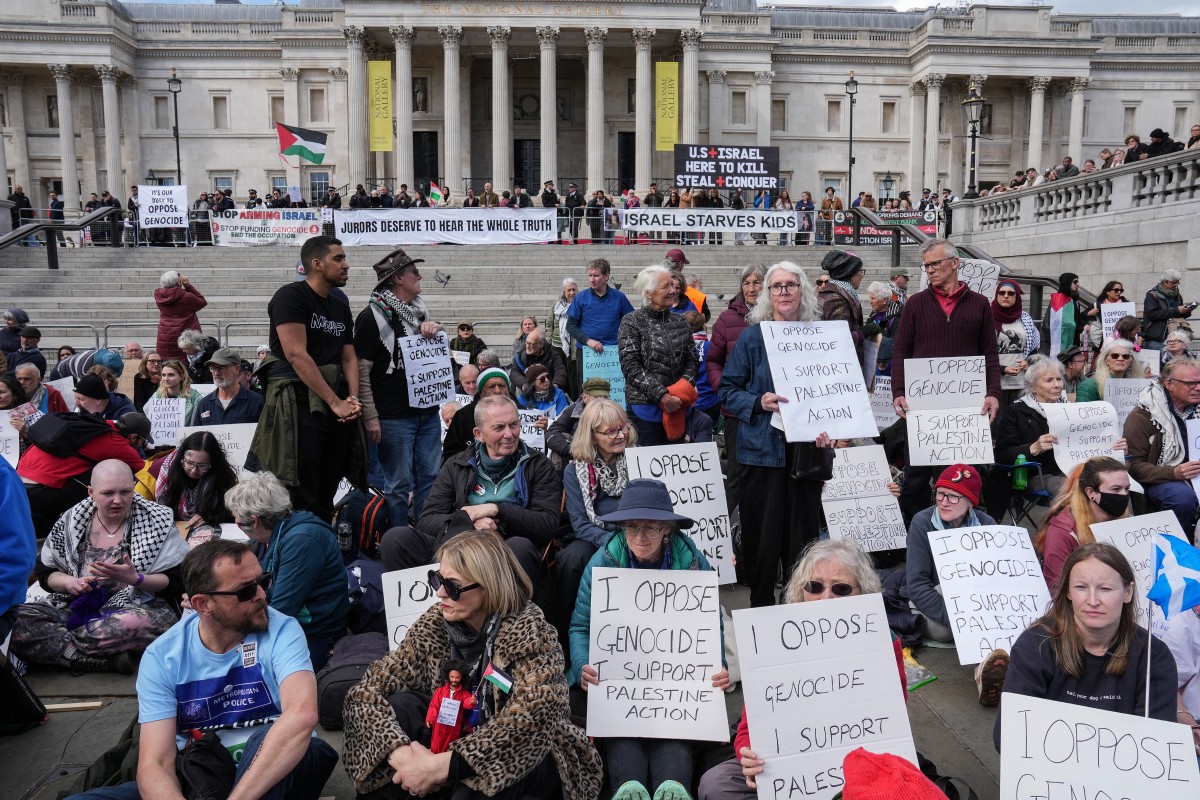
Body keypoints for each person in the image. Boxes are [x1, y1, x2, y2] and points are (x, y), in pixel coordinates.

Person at [65, 539, 339, 800]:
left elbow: (302, 715)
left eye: (263, 581)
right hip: (202, 774)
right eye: (245, 591)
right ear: (203, 604)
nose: (261, 595)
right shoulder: (162, 656)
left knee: (269, 738)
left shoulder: (282, 629)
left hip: (281, 766)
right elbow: (156, 763)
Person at [342, 529, 603, 800]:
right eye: (437, 579)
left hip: (531, 755)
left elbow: (531, 721)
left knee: (483, 780)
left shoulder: (532, 633)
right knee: (401, 707)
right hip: (454, 730)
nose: (440, 592)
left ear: (487, 586)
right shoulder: (436, 623)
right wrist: (404, 758)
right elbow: (366, 693)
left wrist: (441, 766)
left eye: (452, 586)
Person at [698, 539, 907, 800]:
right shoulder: (774, 640)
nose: (825, 598)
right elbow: (749, 722)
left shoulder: (883, 641)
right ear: (801, 589)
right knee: (715, 785)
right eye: (815, 586)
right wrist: (747, 753)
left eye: (840, 588)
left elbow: (892, 719)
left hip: (856, 765)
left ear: (862, 592)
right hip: (785, 770)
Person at [569, 479, 729, 800]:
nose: (639, 537)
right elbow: (580, 627)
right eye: (631, 526)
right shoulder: (602, 562)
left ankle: (674, 788)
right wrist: (583, 662)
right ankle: (628, 789)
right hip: (620, 680)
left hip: (675, 684)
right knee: (623, 725)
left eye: (651, 528)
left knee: (673, 727)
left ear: (667, 529)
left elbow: (711, 627)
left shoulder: (694, 564)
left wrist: (719, 667)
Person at [719, 261, 835, 607]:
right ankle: (761, 609)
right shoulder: (753, 337)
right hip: (761, 454)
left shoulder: (821, 335)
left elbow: (835, 392)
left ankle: (798, 609)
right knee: (763, 542)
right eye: (777, 286)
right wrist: (758, 401)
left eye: (791, 285)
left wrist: (834, 427)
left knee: (802, 541)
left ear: (804, 291)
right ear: (767, 295)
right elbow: (727, 390)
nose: (784, 292)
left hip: (807, 455)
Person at [994, 543, 1177, 751]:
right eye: (1081, 587)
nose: (1092, 600)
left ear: (1128, 592)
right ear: (1068, 592)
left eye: (1105, 589)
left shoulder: (1154, 656)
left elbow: (1158, 748)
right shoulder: (1036, 644)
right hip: (1046, 775)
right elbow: (1008, 737)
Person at [10, 460, 187, 673]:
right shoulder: (72, 520)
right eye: (108, 493)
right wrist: (71, 583)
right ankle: (98, 657)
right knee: (13, 620)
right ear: (91, 492)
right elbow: (46, 572)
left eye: (125, 492)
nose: (118, 500)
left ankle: (64, 650)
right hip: (76, 605)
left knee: (131, 623)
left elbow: (177, 580)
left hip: (139, 604)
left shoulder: (157, 520)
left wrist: (136, 579)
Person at [380, 395, 562, 582]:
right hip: (458, 544)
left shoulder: (538, 465)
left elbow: (547, 523)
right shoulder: (456, 464)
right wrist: (468, 522)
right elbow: (427, 520)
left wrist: (497, 510)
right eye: (499, 427)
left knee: (520, 547)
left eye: (513, 425)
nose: (509, 434)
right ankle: (430, 606)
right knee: (395, 539)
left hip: (506, 549)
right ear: (478, 434)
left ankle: (504, 610)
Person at [250, 235, 366, 520]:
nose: (346, 264)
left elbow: (349, 356)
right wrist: (335, 401)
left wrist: (351, 398)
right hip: (297, 402)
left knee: (331, 477)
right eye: (338, 259)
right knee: (299, 483)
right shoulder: (290, 296)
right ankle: (299, 541)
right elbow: (296, 355)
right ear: (316, 264)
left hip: (333, 403)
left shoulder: (339, 304)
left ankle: (323, 539)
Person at [891, 239, 1001, 523]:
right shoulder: (915, 304)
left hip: (965, 407)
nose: (929, 270)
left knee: (959, 476)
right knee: (915, 477)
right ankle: (917, 537)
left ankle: (957, 538)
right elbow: (901, 350)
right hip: (922, 404)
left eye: (935, 263)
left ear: (955, 263)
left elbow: (989, 352)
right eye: (926, 266)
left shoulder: (979, 304)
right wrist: (899, 391)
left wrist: (993, 393)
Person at [354, 248, 445, 532]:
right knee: (397, 485)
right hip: (393, 418)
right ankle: (398, 542)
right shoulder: (370, 318)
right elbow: (362, 371)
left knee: (429, 478)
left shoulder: (420, 312)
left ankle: (425, 537)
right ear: (396, 279)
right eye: (413, 272)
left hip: (427, 413)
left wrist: (435, 328)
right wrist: (369, 415)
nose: (419, 276)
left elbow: (434, 351)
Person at [225, 471, 348, 670]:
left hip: (317, 635)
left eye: (238, 522)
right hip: (295, 626)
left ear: (255, 521)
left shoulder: (302, 541)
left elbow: (281, 610)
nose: (237, 526)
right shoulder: (271, 534)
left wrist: (227, 621)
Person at [557, 398, 635, 640]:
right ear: (591, 436)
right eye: (611, 431)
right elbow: (580, 523)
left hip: (637, 530)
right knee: (571, 559)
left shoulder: (639, 460)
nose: (620, 435)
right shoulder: (575, 470)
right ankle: (566, 635)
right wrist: (613, 541)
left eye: (623, 427)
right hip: (595, 533)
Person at [904, 464, 996, 643]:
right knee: (943, 632)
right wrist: (955, 618)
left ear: (970, 501)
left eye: (953, 496)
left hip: (973, 597)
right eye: (940, 493)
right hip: (938, 595)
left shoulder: (986, 524)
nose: (944, 502)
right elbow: (917, 585)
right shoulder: (922, 523)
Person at [18, 412, 150, 537]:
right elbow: (143, 469)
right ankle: (93, 527)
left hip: (20, 483)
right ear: (133, 437)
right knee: (107, 474)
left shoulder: (97, 426)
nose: (141, 446)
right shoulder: (117, 444)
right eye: (142, 442)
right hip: (40, 491)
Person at [618, 265, 698, 446]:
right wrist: (662, 396)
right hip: (645, 409)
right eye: (666, 286)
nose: (673, 291)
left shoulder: (681, 321)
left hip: (678, 405)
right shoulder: (631, 321)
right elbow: (631, 366)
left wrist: (678, 393)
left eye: (673, 285)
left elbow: (692, 360)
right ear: (649, 293)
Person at [708, 264, 765, 514]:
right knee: (735, 474)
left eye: (757, 282)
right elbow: (713, 360)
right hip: (736, 412)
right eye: (747, 283)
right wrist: (724, 388)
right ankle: (730, 533)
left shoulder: (779, 316)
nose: (752, 288)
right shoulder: (727, 318)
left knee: (765, 474)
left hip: (771, 411)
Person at [1123, 358, 1200, 535]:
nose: (1198, 388)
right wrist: (1173, 472)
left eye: (1199, 382)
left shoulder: (1196, 409)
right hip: (1161, 478)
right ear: (1169, 384)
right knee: (1181, 498)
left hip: (1195, 476)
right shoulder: (1144, 415)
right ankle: (1176, 547)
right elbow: (1133, 465)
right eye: (1191, 383)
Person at [1035, 456, 1131, 591]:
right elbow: (1056, 587)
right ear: (1091, 493)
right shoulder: (1062, 531)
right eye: (1116, 489)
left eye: (1127, 489)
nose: (1124, 495)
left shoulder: (1128, 523)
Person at [155, 430, 238, 535]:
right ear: (182, 457)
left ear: (213, 464)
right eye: (189, 463)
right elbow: (160, 507)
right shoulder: (166, 469)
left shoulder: (222, 477)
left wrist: (210, 516)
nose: (194, 470)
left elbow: (230, 509)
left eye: (202, 465)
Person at [566, 257, 635, 385]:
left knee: (615, 390)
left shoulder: (619, 297)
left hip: (613, 352)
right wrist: (588, 340)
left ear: (606, 276)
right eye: (590, 275)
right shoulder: (581, 297)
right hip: (587, 352)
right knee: (588, 392)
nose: (592, 279)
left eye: (596, 275)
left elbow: (631, 322)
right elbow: (570, 326)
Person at [441, 366, 513, 462]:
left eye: (502, 386)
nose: (497, 391)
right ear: (481, 391)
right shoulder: (463, 415)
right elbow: (451, 453)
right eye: (491, 386)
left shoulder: (520, 412)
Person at [990, 280, 1041, 412]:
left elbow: (1034, 348)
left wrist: (1028, 362)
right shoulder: (987, 316)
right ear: (996, 295)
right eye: (1001, 292)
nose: (1006, 296)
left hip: (1021, 383)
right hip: (994, 383)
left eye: (1011, 293)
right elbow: (982, 351)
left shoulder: (1025, 318)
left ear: (1017, 296)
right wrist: (1002, 369)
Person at [817, 250, 869, 373]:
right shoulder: (837, 298)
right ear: (851, 275)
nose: (862, 275)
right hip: (841, 370)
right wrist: (863, 333)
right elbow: (840, 340)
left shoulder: (837, 293)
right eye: (861, 271)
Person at [189, 347, 264, 425]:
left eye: (222, 368)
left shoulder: (257, 402)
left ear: (237, 369)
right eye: (213, 368)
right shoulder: (204, 404)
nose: (216, 373)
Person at [546, 377, 611, 466]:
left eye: (605, 397)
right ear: (585, 398)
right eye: (597, 397)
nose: (602, 401)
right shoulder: (572, 410)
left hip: (605, 453)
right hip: (577, 454)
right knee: (558, 448)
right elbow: (552, 432)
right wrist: (571, 450)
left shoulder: (613, 411)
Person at [153, 271, 206, 362]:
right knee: (185, 364)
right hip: (184, 334)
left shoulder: (158, 296)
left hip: (165, 334)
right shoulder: (187, 296)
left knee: (168, 364)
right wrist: (188, 286)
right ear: (178, 282)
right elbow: (202, 302)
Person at [1076, 338, 1144, 402]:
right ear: (1106, 360)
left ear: (1131, 361)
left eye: (1125, 356)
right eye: (1115, 356)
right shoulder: (1089, 386)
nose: (1120, 359)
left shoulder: (1137, 387)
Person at [1144, 268, 1194, 351]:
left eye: (1178, 282)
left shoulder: (1177, 295)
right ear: (1165, 282)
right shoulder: (1152, 295)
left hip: (1175, 336)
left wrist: (1187, 311)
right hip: (1157, 338)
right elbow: (1152, 314)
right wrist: (1176, 310)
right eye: (1174, 282)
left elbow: (1178, 315)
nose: (1177, 284)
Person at [509, 328, 568, 394]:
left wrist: (556, 384)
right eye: (527, 343)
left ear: (541, 344)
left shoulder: (553, 355)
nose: (528, 346)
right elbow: (514, 372)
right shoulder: (520, 356)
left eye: (532, 344)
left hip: (549, 390)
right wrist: (524, 384)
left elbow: (560, 371)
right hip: (528, 391)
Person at [547, 278, 579, 397]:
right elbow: (549, 324)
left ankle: (574, 398)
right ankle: (561, 397)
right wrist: (548, 343)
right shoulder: (556, 306)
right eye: (568, 290)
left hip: (573, 347)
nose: (571, 293)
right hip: (557, 346)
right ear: (564, 292)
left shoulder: (580, 304)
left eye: (573, 290)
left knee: (572, 374)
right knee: (560, 372)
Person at [153, 359, 202, 424]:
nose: (166, 379)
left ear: (181, 376)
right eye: (163, 375)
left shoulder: (194, 397)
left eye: (171, 375)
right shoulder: (157, 396)